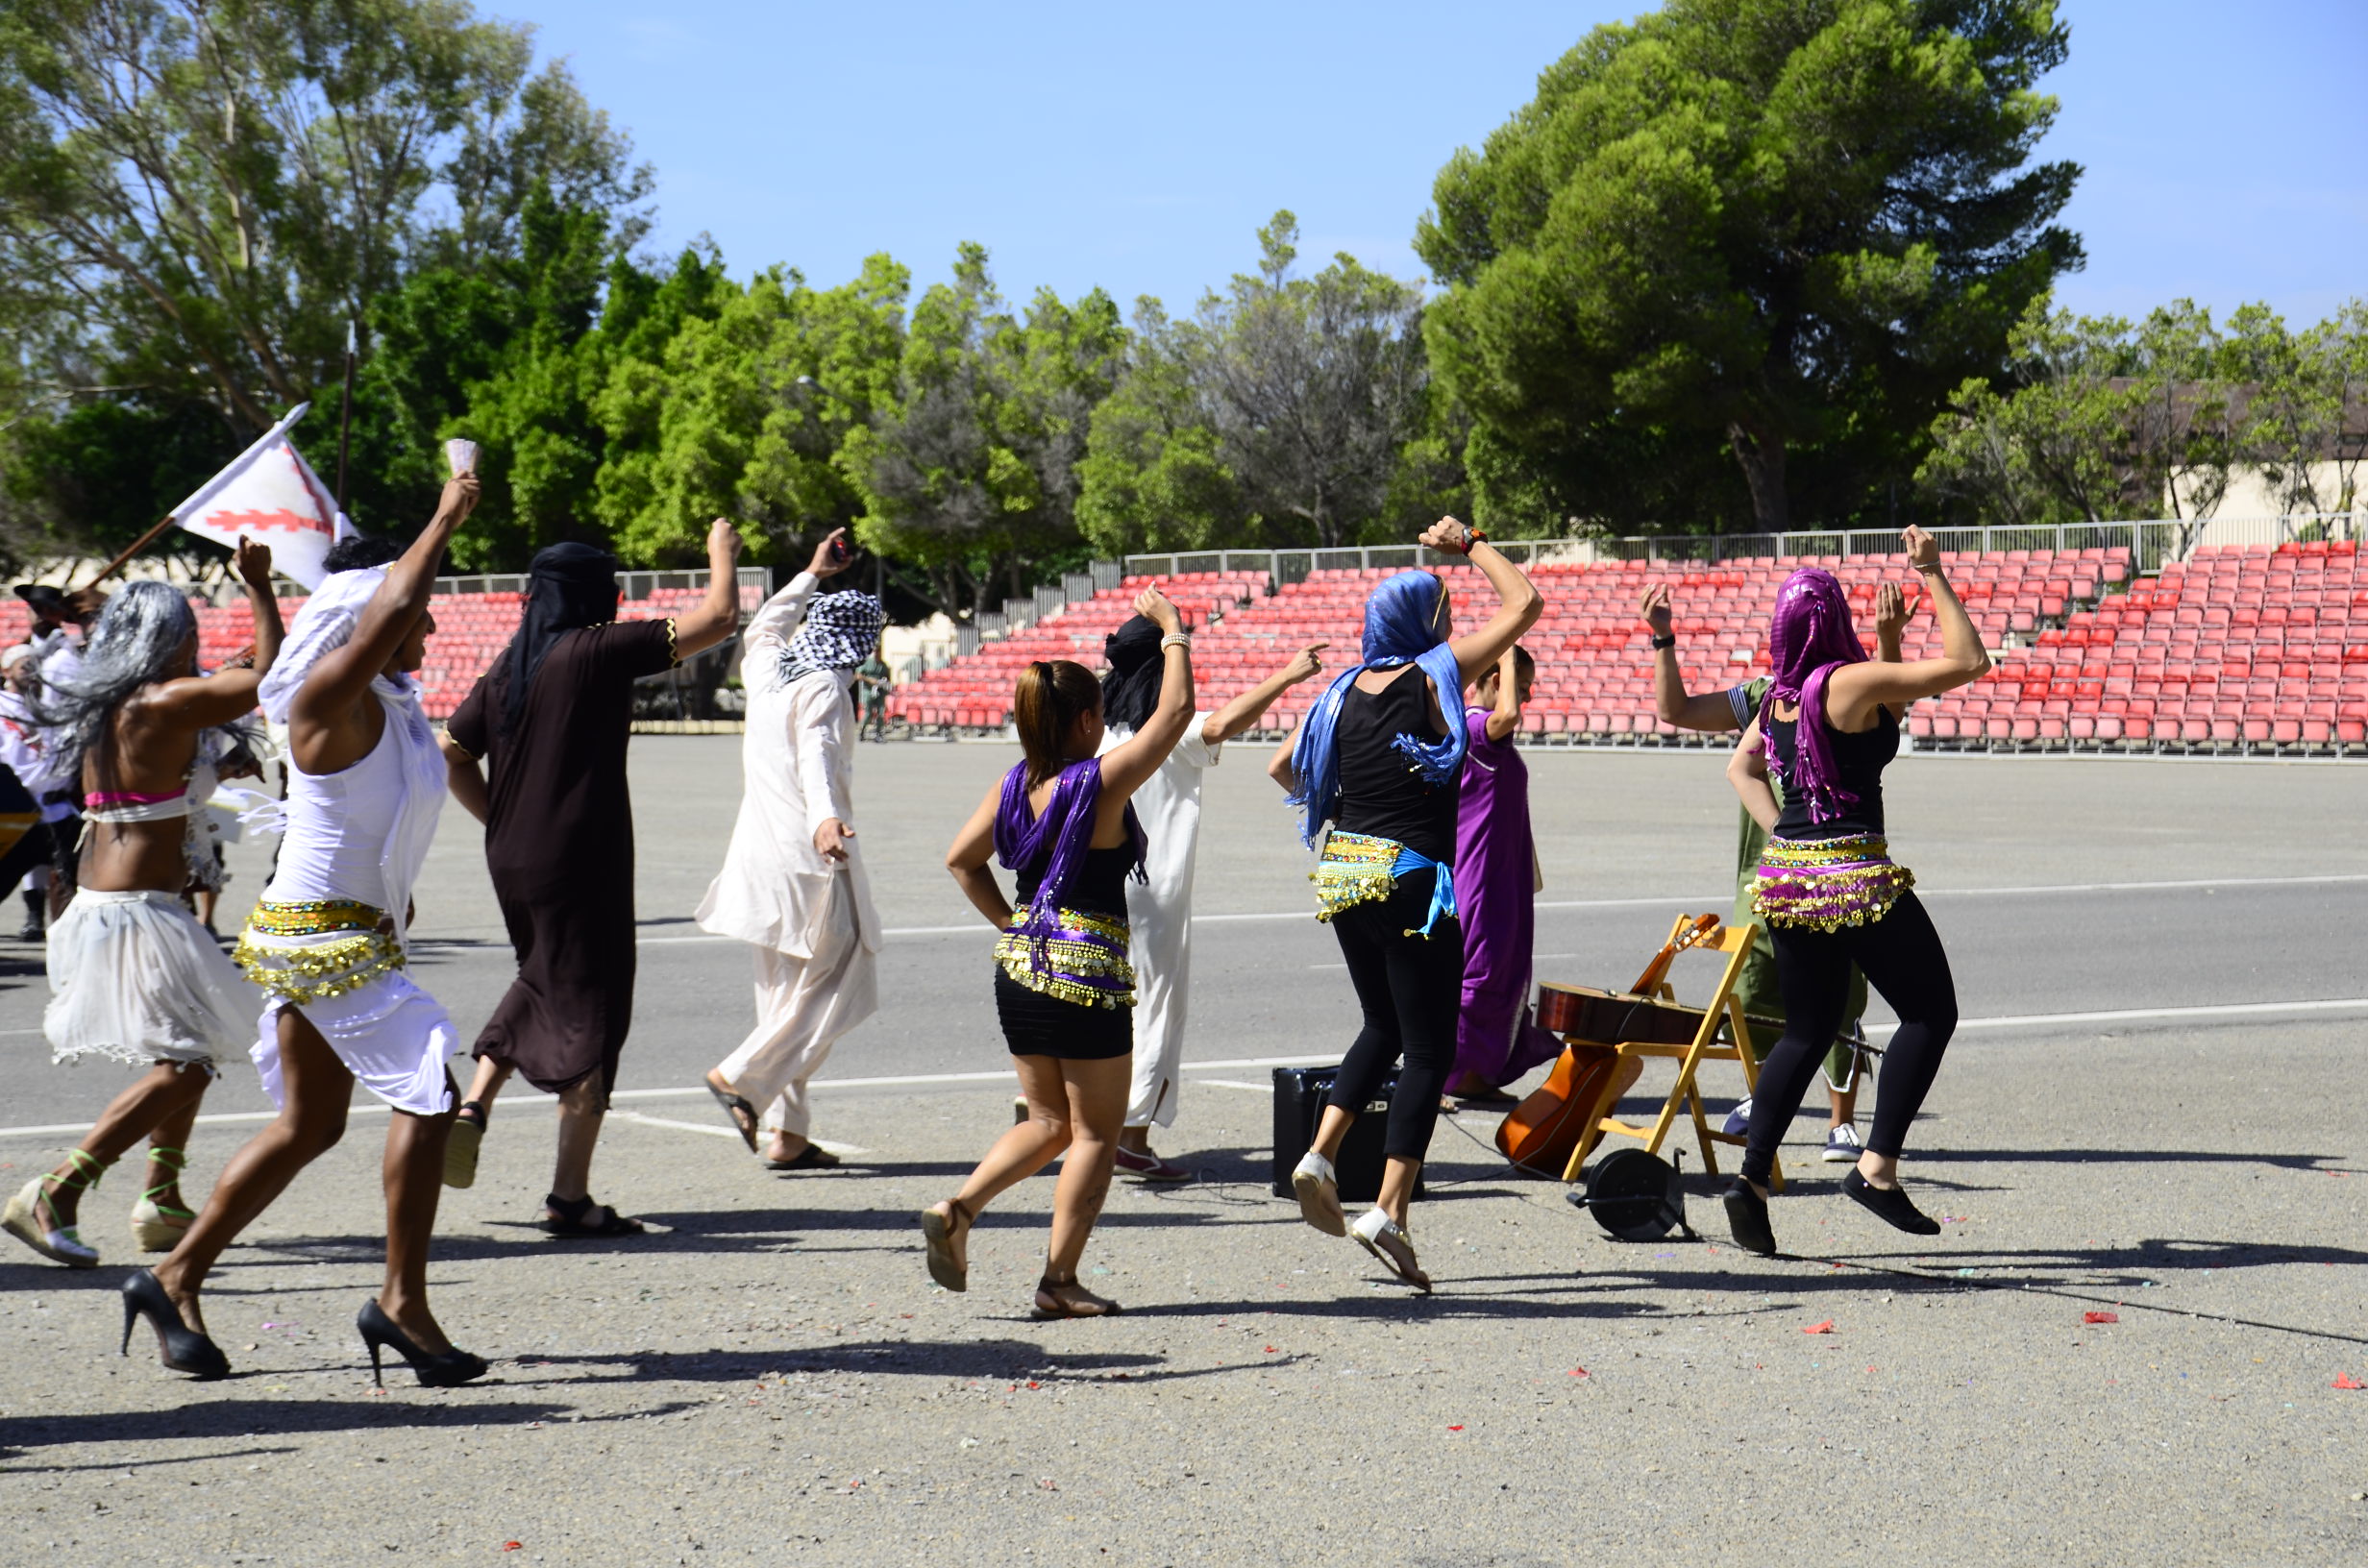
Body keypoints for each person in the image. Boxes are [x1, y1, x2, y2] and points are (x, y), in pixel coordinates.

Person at [130, 476, 487, 1384]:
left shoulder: (390, 704)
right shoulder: (331, 697)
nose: (430, 629)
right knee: (429, 1092)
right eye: (418, 616)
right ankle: (401, 1303)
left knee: (309, 1124)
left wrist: (394, 889)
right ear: (374, 618)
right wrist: (443, 520)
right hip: (324, 935)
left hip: (336, 929)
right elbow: (389, 607)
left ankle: (173, 1278)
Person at [439, 519, 745, 1231]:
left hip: (512, 856)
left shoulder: (508, 666)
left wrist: (503, 818)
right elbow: (718, 619)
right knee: (592, 1011)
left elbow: (451, 752)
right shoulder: (593, 650)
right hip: (580, 859)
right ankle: (570, 1198)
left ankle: (474, 1103)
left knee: (541, 977)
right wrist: (720, 554)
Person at [1268, 519, 1542, 1290]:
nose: (1451, 624)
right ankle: (1389, 1208)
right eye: (1443, 612)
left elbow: (1284, 768)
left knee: (1380, 1026)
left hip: (1344, 872)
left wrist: (1350, 801)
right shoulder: (1432, 677)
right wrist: (1472, 544)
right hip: (1412, 876)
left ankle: (1320, 1154)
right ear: (1421, 624)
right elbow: (1524, 604)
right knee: (1427, 1050)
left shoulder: (1338, 690)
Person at [0, 549, 283, 1274]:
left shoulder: (122, 705)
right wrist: (258, 589)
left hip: (126, 905)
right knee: (186, 1066)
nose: (195, 642)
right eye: (187, 631)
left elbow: (164, 780)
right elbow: (267, 676)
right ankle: (55, 1191)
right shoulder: (161, 701)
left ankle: (162, 1196)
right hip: (135, 911)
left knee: (189, 1054)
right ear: (164, 637)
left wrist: (216, 762)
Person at [922, 589, 1195, 1317]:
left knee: (1047, 1124)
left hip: (1021, 972)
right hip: (1087, 975)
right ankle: (1059, 1281)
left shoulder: (1016, 783)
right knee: (1096, 1135)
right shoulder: (1096, 782)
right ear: (1084, 721)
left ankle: (960, 1208)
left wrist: (1014, 925)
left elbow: (961, 860)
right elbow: (1173, 715)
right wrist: (1173, 631)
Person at [1720, 527, 1987, 1257]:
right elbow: (1970, 661)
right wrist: (1931, 572)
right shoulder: (1848, 681)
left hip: (1789, 883)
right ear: (1835, 620)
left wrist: (1788, 836)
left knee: (1806, 1032)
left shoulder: (1777, 701)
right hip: (1854, 877)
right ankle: (1876, 1169)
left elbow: (1742, 769)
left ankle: (1750, 1180)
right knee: (1930, 1012)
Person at [1642, 580, 1914, 1160]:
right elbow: (1677, 711)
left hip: (1837, 872)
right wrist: (1663, 639)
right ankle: (1764, 1105)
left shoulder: (1845, 688)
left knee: (1843, 996)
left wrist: (1889, 639)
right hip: (1769, 876)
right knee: (1756, 993)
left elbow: (1892, 706)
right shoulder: (1766, 697)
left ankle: (1841, 1122)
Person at [1095, 617, 1329, 1181]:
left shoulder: (1099, 729)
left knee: (1104, 1002)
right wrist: (1288, 675)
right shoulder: (1165, 729)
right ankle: (1131, 1134)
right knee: (1155, 1004)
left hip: (1097, 881)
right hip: (1153, 888)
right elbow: (1220, 723)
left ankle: (1092, 1122)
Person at [697, 528, 885, 1170]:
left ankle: (788, 1133)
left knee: (783, 1000)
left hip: (758, 860)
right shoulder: (826, 685)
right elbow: (818, 756)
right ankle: (740, 1079)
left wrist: (810, 574)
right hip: (811, 861)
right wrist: (827, 819)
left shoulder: (768, 670)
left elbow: (765, 626)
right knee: (842, 978)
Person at [1443, 644, 1562, 1103]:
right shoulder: (1477, 728)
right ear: (1496, 679)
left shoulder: (1480, 733)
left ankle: (1479, 1068)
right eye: (1522, 685)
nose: (1526, 696)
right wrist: (1509, 653)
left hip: (1501, 870)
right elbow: (1508, 714)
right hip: (1482, 873)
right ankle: (1453, 1070)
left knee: (1503, 967)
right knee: (1483, 969)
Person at [855, 648, 891, 742]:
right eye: (875, 651)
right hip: (868, 690)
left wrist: (884, 682)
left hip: (880, 690)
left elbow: (888, 677)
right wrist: (869, 680)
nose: (877, 654)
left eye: (878, 651)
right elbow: (858, 675)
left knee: (881, 712)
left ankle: (879, 733)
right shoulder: (867, 663)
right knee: (868, 712)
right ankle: (862, 731)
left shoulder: (883, 665)